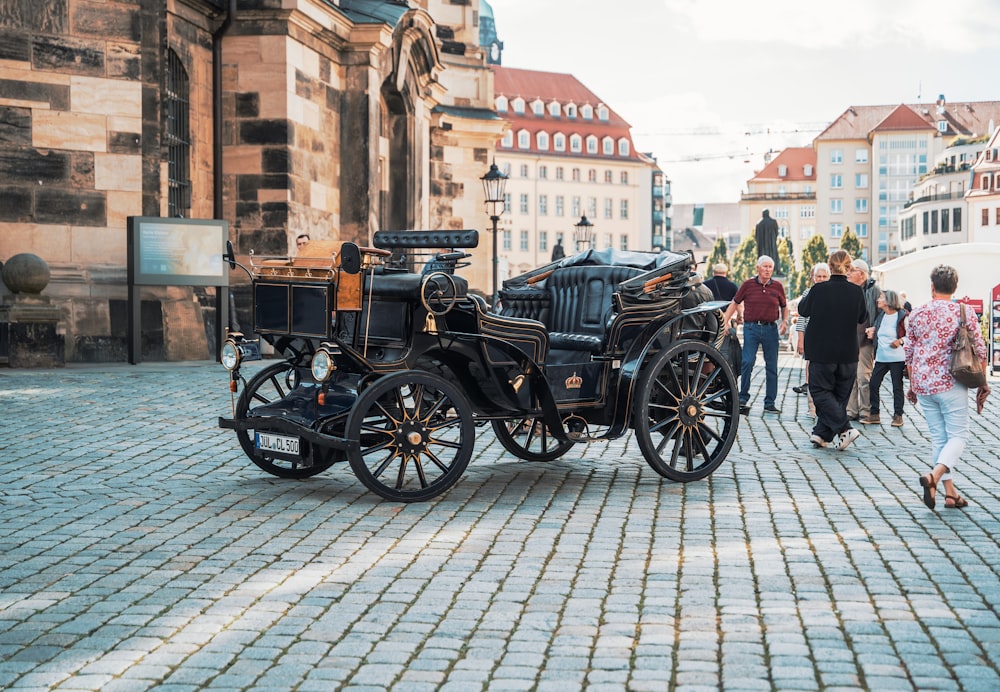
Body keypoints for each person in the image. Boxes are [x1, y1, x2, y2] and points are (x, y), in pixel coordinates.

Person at [906, 265, 990, 510]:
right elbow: (979, 350)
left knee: (939, 437)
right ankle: (934, 475)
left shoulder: (918, 313)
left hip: (923, 383)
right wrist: (982, 383)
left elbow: (909, 352)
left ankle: (950, 494)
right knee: (958, 435)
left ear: (932, 287)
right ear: (955, 287)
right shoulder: (963, 312)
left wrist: (912, 384)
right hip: (951, 382)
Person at [796, 250, 867, 450]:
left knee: (819, 391)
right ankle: (822, 434)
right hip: (847, 352)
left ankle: (845, 429)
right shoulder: (856, 291)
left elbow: (802, 310)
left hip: (822, 351)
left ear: (830, 266)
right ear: (848, 267)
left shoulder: (818, 289)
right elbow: (862, 317)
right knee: (839, 396)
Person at [723, 255, 788, 415]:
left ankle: (770, 403)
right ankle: (743, 398)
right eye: (764, 266)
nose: (767, 270)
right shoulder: (748, 285)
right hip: (751, 328)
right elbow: (735, 302)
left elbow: (784, 306)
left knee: (772, 366)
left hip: (770, 330)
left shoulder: (778, 286)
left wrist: (785, 321)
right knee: (747, 362)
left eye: (770, 267)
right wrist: (725, 321)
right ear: (758, 268)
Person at [861, 289, 907, 427]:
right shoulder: (881, 316)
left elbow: (911, 335)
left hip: (897, 358)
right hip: (881, 357)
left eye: (881, 298)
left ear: (889, 301)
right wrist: (872, 331)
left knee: (897, 387)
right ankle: (875, 414)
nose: (878, 300)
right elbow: (879, 330)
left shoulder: (902, 316)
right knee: (873, 384)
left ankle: (898, 416)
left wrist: (900, 341)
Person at [794, 263, 831, 418]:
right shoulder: (808, 293)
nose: (821, 279)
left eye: (824, 276)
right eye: (818, 276)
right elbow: (802, 318)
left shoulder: (833, 293)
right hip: (812, 337)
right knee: (812, 374)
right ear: (813, 278)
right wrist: (800, 340)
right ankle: (812, 407)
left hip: (829, 337)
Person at [846, 258, 880, 421]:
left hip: (865, 340)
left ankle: (866, 410)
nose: (848, 273)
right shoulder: (847, 289)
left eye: (851, 270)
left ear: (861, 273)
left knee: (863, 377)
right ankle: (851, 411)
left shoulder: (874, 290)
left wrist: (875, 329)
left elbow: (882, 314)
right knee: (849, 377)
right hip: (848, 338)